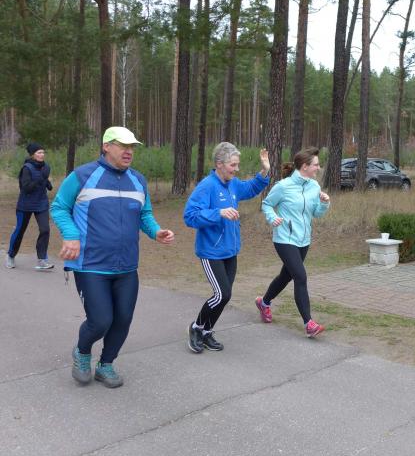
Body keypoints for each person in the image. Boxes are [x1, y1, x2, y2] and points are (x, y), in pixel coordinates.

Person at [51, 126, 175, 388]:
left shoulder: (138, 180)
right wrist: (71, 235)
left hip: (127, 266)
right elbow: (60, 207)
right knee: (100, 321)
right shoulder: (82, 175)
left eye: (132, 147)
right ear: (106, 146)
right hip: (91, 265)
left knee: (123, 319)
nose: (128, 151)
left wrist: (156, 231)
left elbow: (144, 214)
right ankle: (82, 352)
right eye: (122, 145)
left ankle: (106, 364)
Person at [184, 142, 271, 354]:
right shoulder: (207, 186)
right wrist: (218, 213)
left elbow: (250, 188)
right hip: (211, 252)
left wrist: (264, 171)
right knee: (221, 294)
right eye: (233, 165)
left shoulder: (233, 184)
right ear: (219, 164)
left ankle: (207, 332)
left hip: (230, 251)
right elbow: (190, 216)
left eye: (237, 164)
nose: (236, 169)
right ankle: (196, 328)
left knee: (225, 295)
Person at [257, 148, 330, 337]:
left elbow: (316, 214)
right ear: (305, 166)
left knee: (286, 276)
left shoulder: (314, 186)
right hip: (284, 238)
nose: (318, 168)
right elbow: (266, 204)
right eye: (316, 165)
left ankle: (264, 302)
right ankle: (309, 324)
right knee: (300, 276)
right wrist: (272, 217)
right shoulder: (283, 186)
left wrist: (324, 203)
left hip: (303, 240)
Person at [6, 143, 54, 270]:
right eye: (39, 152)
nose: (42, 155)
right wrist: (42, 178)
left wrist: (47, 183)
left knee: (45, 230)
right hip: (25, 205)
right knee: (20, 231)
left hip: (41, 203)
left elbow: (43, 179)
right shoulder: (26, 168)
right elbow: (26, 188)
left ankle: (42, 259)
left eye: (43, 152)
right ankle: (11, 255)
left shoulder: (46, 167)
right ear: (32, 154)